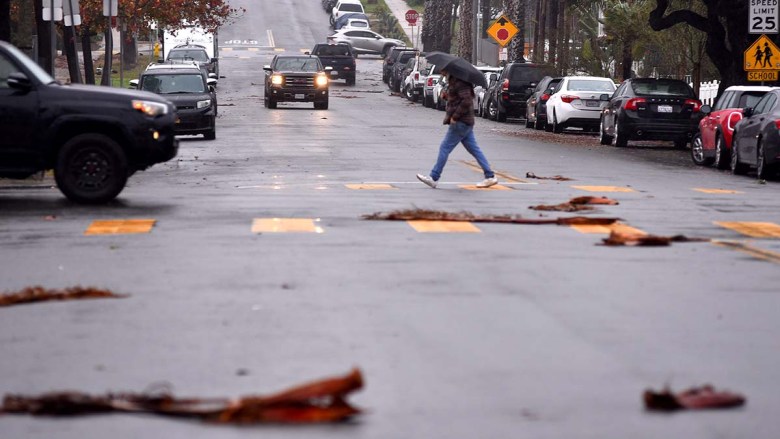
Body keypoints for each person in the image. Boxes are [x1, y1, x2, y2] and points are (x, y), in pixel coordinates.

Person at [416, 70, 497, 189]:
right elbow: (458, 99)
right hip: (465, 123)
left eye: (443, 70)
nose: (442, 72)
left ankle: (434, 177)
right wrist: (447, 96)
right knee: (475, 150)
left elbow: (466, 101)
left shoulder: (460, 83)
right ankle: (489, 176)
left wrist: (455, 116)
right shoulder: (455, 82)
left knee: (445, 148)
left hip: (460, 122)